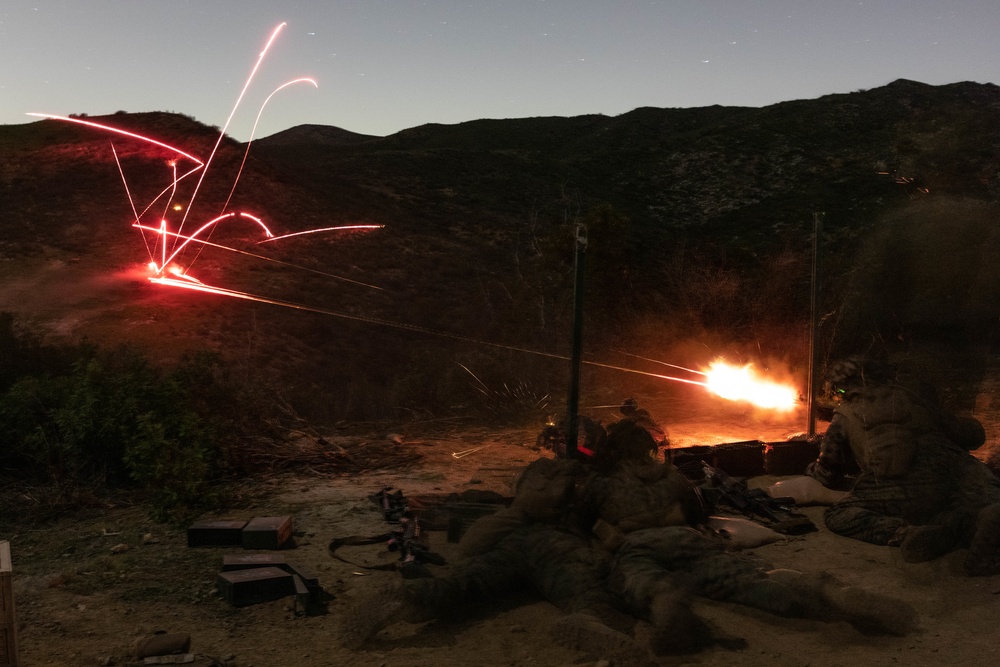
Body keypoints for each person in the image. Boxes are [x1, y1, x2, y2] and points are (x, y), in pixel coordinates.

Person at [806, 356, 1000, 575]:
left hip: (908, 481)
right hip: (961, 468)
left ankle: (905, 533)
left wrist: (812, 469)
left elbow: (827, 474)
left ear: (842, 387)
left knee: (839, 514)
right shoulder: (916, 398)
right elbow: (971, 436)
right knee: (975, 503)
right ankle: (976, 520)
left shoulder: (846, 414)